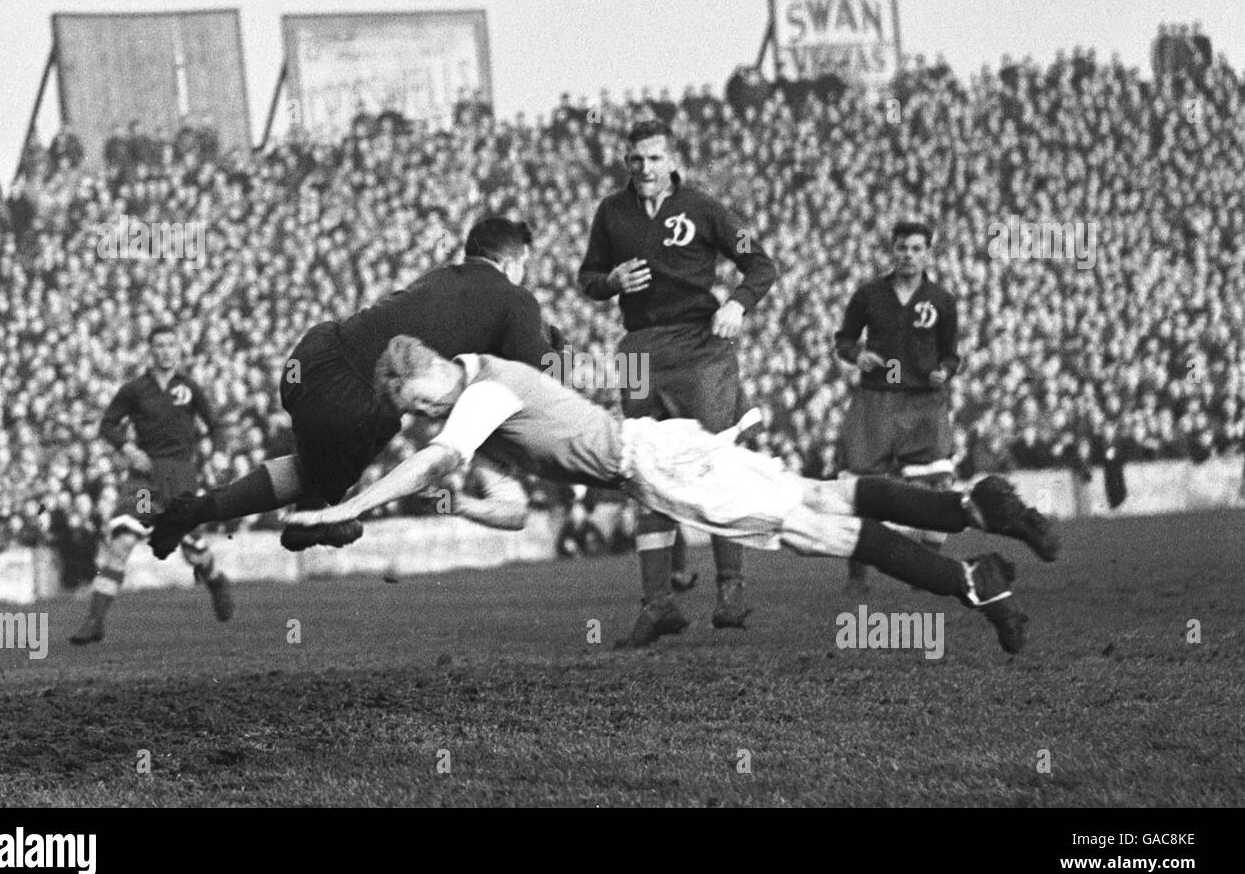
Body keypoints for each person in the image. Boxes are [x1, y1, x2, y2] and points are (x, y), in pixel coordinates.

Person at [284, 337, 1062, 654]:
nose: (417, 416)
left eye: (413, 403)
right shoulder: (477, 379)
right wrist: (450, 503)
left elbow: (433, 460)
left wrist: (345, 509)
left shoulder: (480, 393)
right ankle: (971, 508)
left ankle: (976, 584)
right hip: (659, 450)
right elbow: (512, 509)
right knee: (821, 497)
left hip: (658, 466)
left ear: (419, 377)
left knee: (808, 528)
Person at [146, 217, 557, 558]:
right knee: (379, 419)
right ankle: (312, 519)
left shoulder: (439, 278)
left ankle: (196, 510)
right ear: (511, 262)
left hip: (312, 357)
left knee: (309, 469)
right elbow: (535, 377)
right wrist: (558, 347)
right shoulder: (516, 299)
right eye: (525, 264)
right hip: (353, 402)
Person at [578, 119, 777, 646]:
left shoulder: (703, 207)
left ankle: (730, 592)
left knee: (713, 463)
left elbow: (761, 264)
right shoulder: (611, 212)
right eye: (635, 160)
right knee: (645, 473)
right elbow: (587, 277)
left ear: (670, 159)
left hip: (698, 345)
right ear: (626, 163)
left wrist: (737, 303)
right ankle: (657, 603)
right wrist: (611, 282)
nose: (644, 168)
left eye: (653, 158)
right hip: (639, 348)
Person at [69, 323, 233, 644]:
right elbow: (108, 424)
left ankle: (215, 580)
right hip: (145, 481)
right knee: (122, 542)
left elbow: (216, 426)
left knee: (193, 553)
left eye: (171, 345)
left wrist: (221, 454)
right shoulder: (135, 389)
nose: (165, 351)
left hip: (180, 477)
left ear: (179, 349)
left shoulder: (190, 388)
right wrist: (128, 448)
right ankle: (94, 621)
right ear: (150, 350)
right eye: (159, 346)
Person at [833, 220, 962, 593]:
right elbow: (843, 341)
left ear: (927, 253)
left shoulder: (941, 300)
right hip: (877, 398)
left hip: (923, 399)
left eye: (916, 249)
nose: (908, 255)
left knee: (940, 484)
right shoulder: (869, 295)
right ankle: (857, 577)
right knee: (861, 486)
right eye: (902, 248)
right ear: (892, 250)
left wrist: (944, 371)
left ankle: (928, 572)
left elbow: (951, 353)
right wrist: (858, 356)